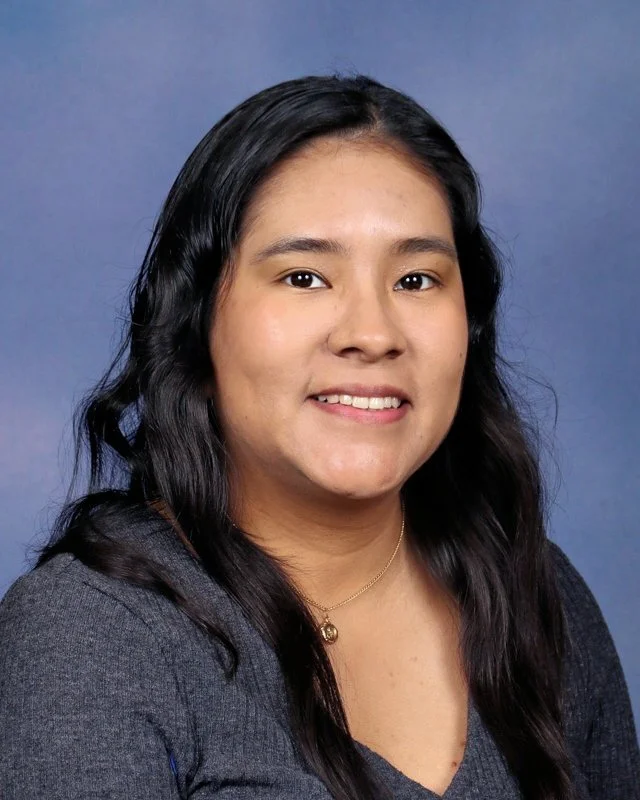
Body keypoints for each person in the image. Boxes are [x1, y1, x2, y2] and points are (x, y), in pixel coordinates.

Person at [0, 74, 637, 800]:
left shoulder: (533, 589)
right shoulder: (91, 637)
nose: (372, 333)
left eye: (416, 280)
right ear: (195, 325)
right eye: (304, 277)